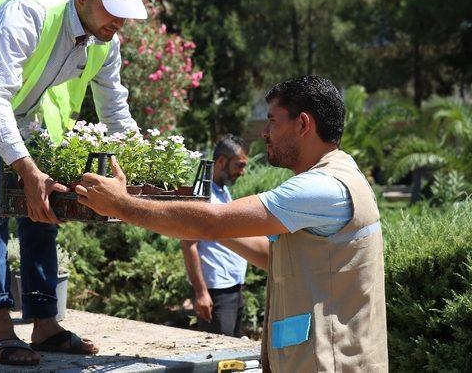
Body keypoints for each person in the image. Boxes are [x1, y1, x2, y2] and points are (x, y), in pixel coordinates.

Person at [75, 75, 388, 372]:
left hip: (326, 363)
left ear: (303, 123)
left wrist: (121, 204)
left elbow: (213, 223)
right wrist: (209, 227)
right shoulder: (342, 174)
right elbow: (269, 255)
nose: (266, 132)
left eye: (273, 120)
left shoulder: (319, 188)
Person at [0, 0, 147, 366]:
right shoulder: (28, 14)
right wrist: (27, 169)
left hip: (24, 111)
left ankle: (45, 324)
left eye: (127, 13)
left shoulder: (106, 41)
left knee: (43, 211)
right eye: (113, 11)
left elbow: (115, 111)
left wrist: (141, 166)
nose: (120, 23)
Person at [181, 134, 251, 337]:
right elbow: (188, 245)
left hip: (232, 288)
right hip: (215, 293)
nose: (243, 172)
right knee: (217, 359)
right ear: (221, 161)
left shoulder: (222, 191)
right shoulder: (202, 194)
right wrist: (201, 293)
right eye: (239, 165)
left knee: (231, 355)